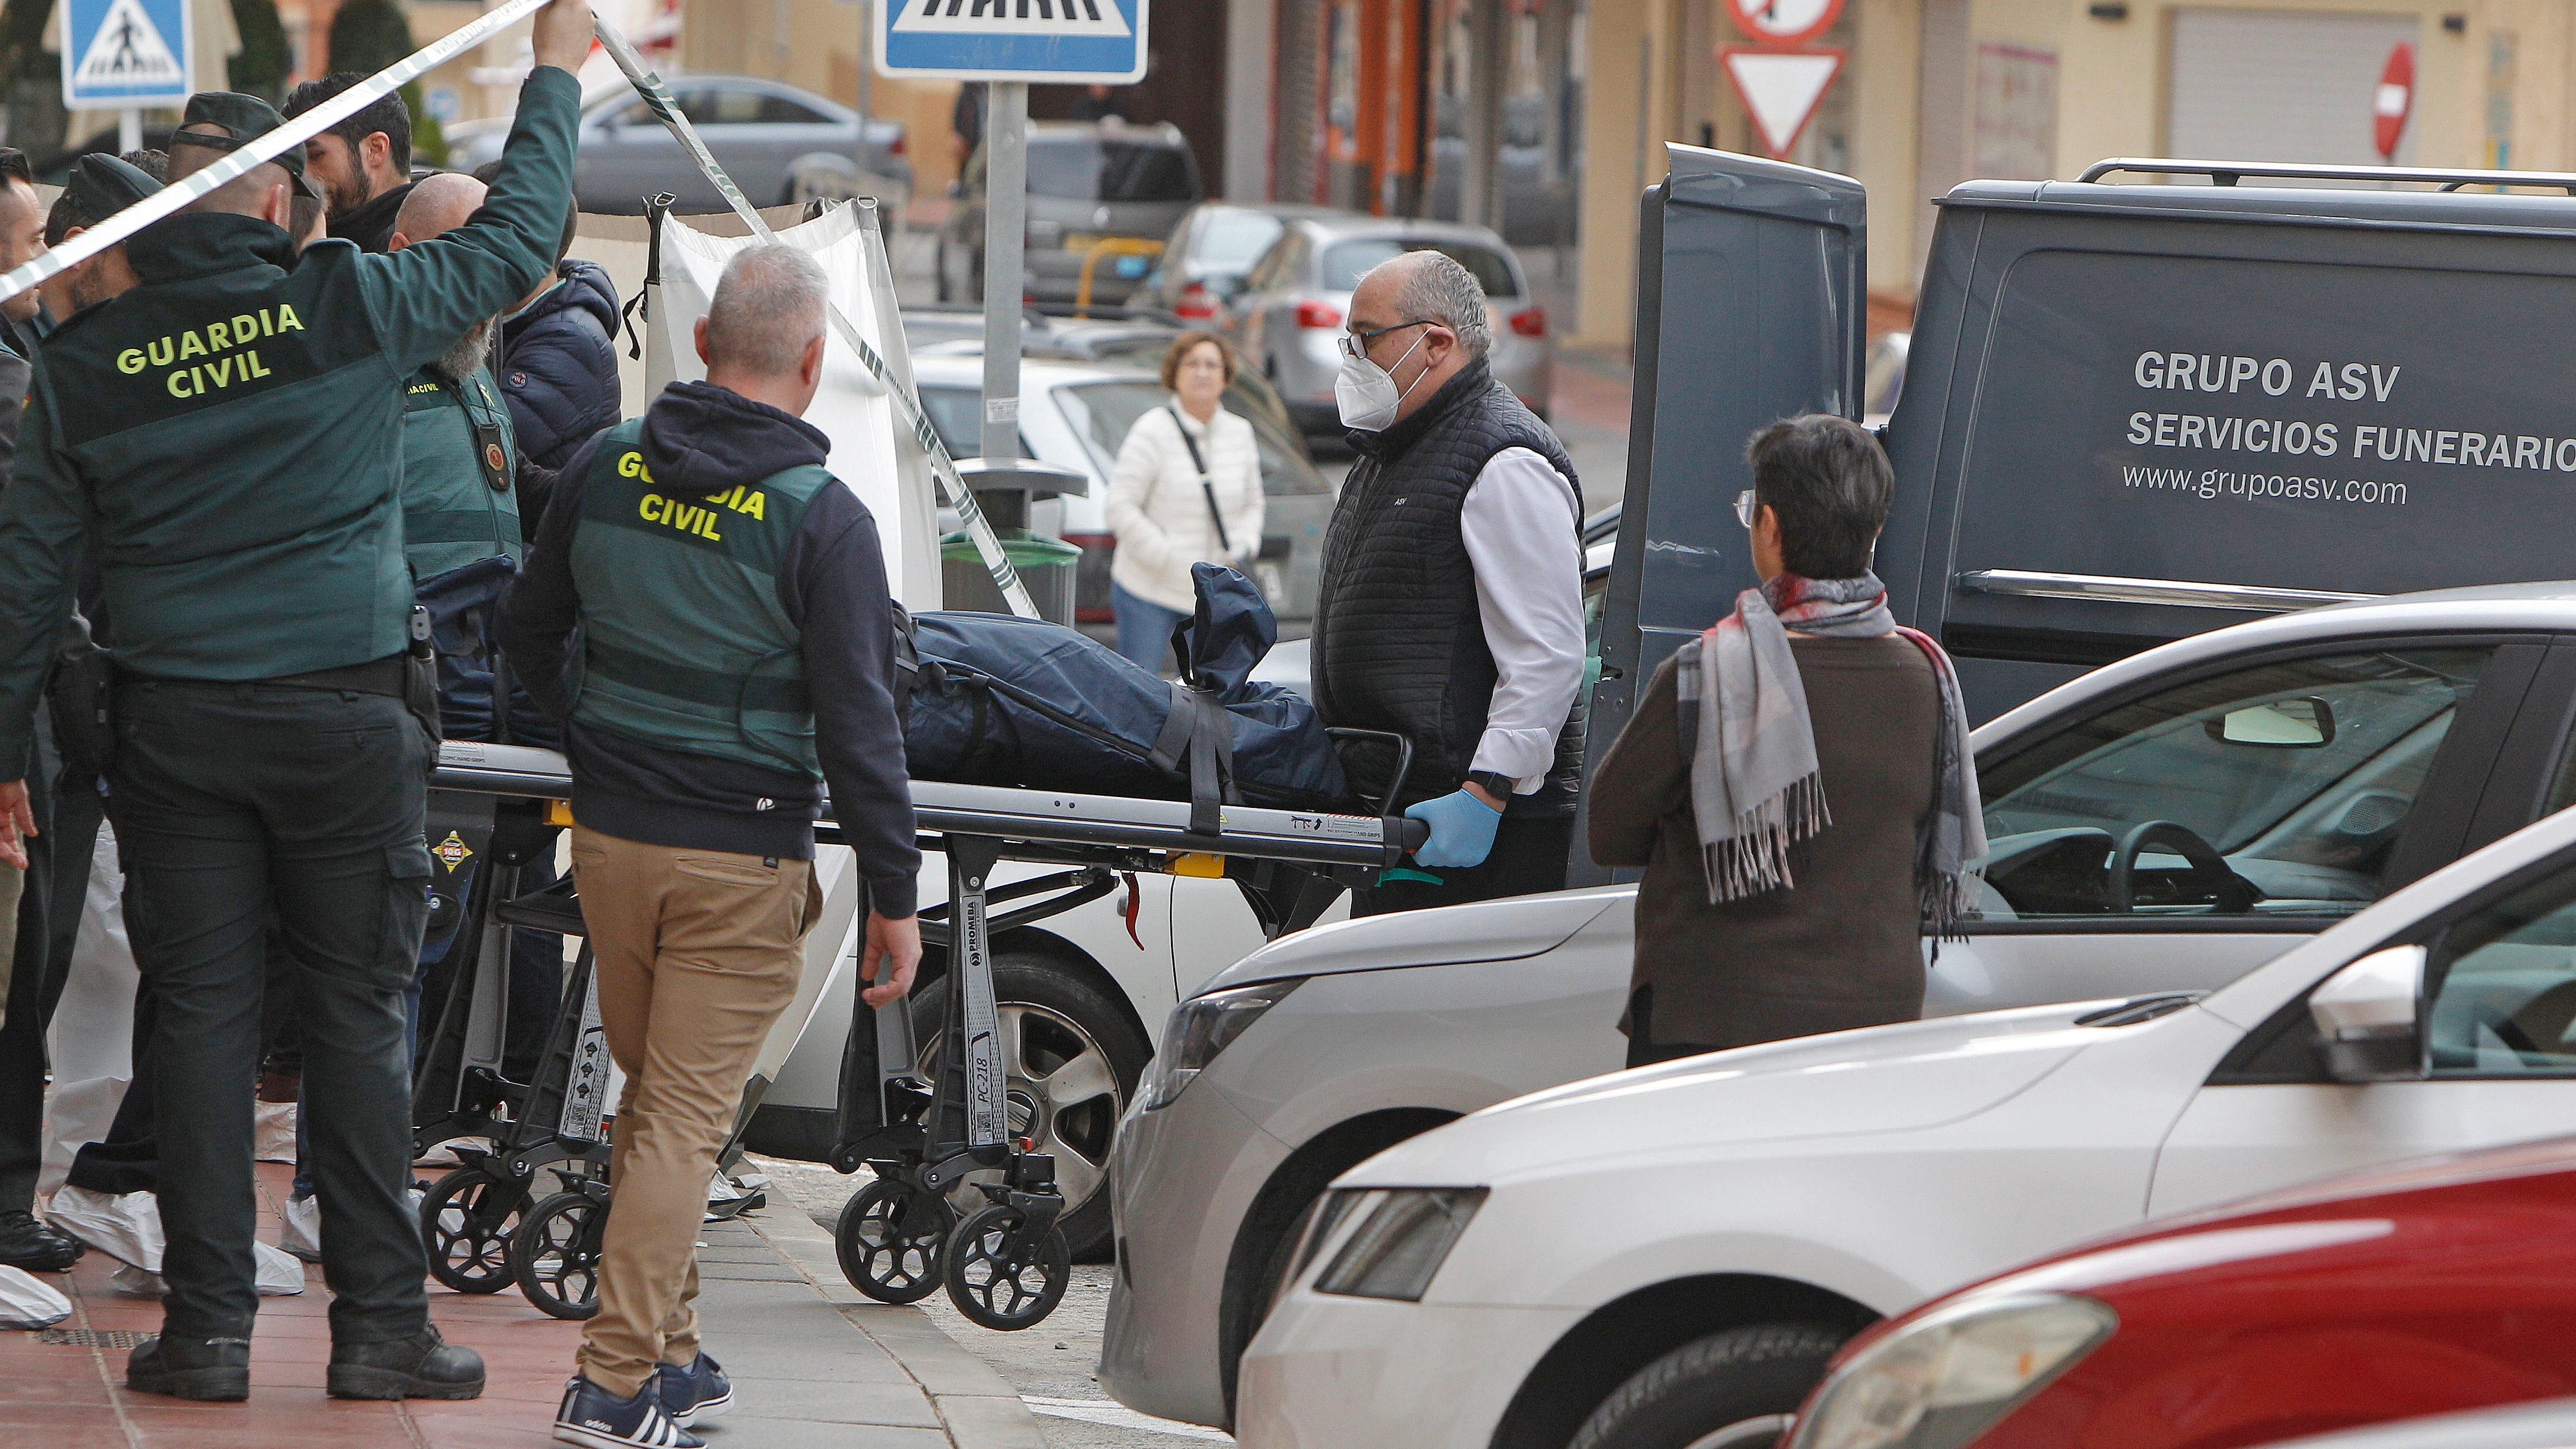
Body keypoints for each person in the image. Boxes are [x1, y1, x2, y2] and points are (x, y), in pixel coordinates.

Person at [0, 0, 595, 1402]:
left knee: (196, 1014)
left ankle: (205, 1331)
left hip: (174, 728)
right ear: (273, 201)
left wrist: (4, 754)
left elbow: (27, 586)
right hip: (342, 720)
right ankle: (381, 1326)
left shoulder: (83, 370)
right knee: (356, 1007)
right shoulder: (341, 305)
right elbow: (516, 247)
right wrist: (556, 77)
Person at [499, 243, 922, 1449]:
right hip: (740, 861)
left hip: (615, 846)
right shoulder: (823, 520)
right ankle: (616, 1380)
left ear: (697, 346)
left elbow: (529, 626)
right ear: (812, 358)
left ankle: (673, 1356)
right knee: (683, 1121)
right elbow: (859, 721)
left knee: (655, 1111)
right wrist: (893, 893)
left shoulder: (604, 465)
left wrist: (588, 727)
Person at [272, 172, 531, 1263]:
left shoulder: (470, 359)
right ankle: (329, 1191)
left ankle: (367, 1172)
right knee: (387, 940)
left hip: (481, 684)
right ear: (412, 253)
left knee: (429, 942)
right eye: (467, 254)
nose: (487, 285)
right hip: (402, 684)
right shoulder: (369, 358)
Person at [1586, 415, 1984, 1068]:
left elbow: (1609, 834)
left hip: (1709, 1024)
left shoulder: (1702, 673)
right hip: (1870, 1032)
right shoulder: (1927, 678)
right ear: (1874, 531)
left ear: (1768, 526)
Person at [1309, 249, 1585, 913]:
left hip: (1471, 834)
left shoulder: (1504, 460)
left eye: (1365, 339)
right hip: (1403, 817)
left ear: (1435, 343)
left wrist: (1485, 794)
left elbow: (1546, 655)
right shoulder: (1393, 450)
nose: (1351, 358)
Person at [0, 145, 85, 1278]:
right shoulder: (14, 382)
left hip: (40, 706)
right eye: (26, 246)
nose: (41, 261)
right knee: (22, 965)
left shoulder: (31, 355)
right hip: (19, 718)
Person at [1103, 330, 1262, 671]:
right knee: (1140, 691)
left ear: (1225, 376)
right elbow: (1119, 505)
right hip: (1149, 590)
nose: (1202, 373)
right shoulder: (1152, 430)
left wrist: (1242, 547)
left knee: (1201, 700)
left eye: (1211, 365)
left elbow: (1253, 504)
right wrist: (1163, 555)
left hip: (1210, 597)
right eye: (1192, 364)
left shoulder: (1241, 433)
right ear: (1175, 373)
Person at [470, 157, 622, 501]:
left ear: (535, 242)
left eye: (480, 232)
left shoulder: (570, 339)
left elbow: (479, 436)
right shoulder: (520, 318)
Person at [282, 72, 417, 251]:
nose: (302, 176)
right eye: (295, 161)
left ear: (375, 149)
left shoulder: (425, 242)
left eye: (315, 156)